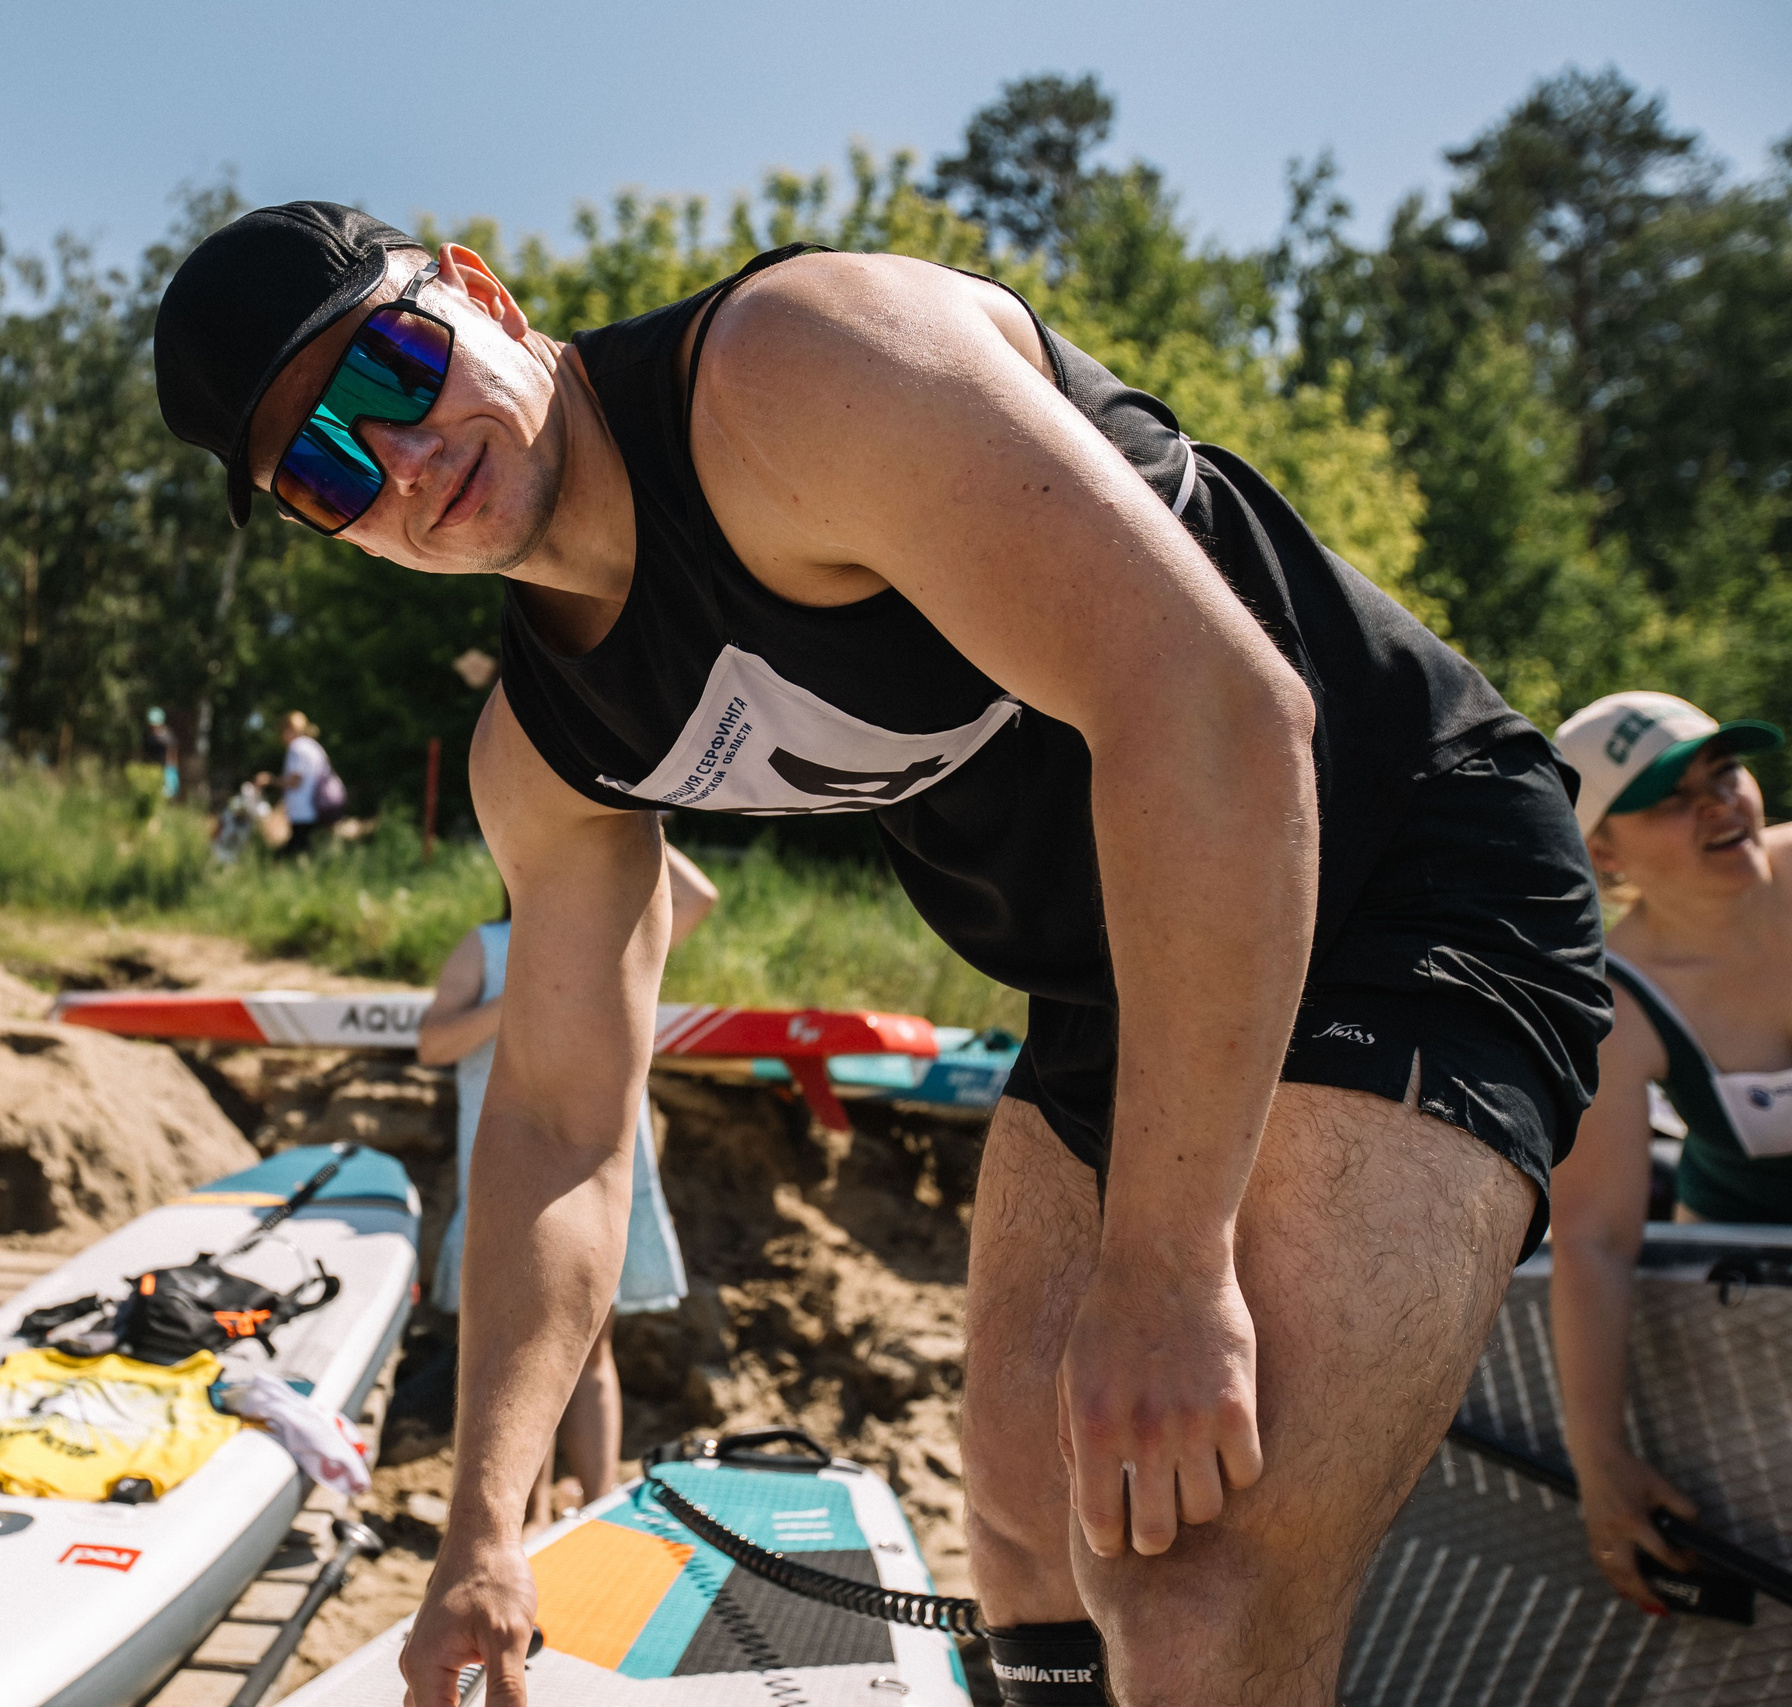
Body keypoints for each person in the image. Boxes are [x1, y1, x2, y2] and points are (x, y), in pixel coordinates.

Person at [153, 203, 1610, 1706]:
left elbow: (1221, 713)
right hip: (1116, 974)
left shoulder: (796, 375)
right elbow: (556, 1124)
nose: (398, 456)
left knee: (1192, 1583)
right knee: (1026, 1531)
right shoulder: (547, 747)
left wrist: (1168, 1267)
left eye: (393, 365)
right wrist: (477, 1535)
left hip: (1398, 866)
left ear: (478, 289)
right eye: (325, 468)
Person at [1545, 691, 1789, 1614]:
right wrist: (1597, 1456)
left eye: (1723, 772)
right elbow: (1597, 1241)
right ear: (1602, 850)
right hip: (1752, 1300)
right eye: (1670, 798)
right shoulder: (1617, 999)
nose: (1721, 803)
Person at [419, 840, 716, 1529]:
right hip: (511, 1183)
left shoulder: (620, 941)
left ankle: (597, 1510)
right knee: (517, 1360)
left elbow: (699, 898)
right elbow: (432, 1043)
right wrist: (518, 999)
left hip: (599, 1182)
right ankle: (521, 1526)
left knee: (591, 1350)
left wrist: (631, 810)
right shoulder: (487, 947)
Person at [277, 711, 332, 857]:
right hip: (318, 806)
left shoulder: (297, 747)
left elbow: (295, 781)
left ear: (288, 730)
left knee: (294, 851)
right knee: (307, 850)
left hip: (302, 810)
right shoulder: (314, 746)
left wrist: (270, 780)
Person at [144, 707, 181, 802]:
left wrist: (172, 770)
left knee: (168, 794)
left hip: (167, 769)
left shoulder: (168, 736)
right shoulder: (150, 737)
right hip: (153, 768)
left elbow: (173, 753)